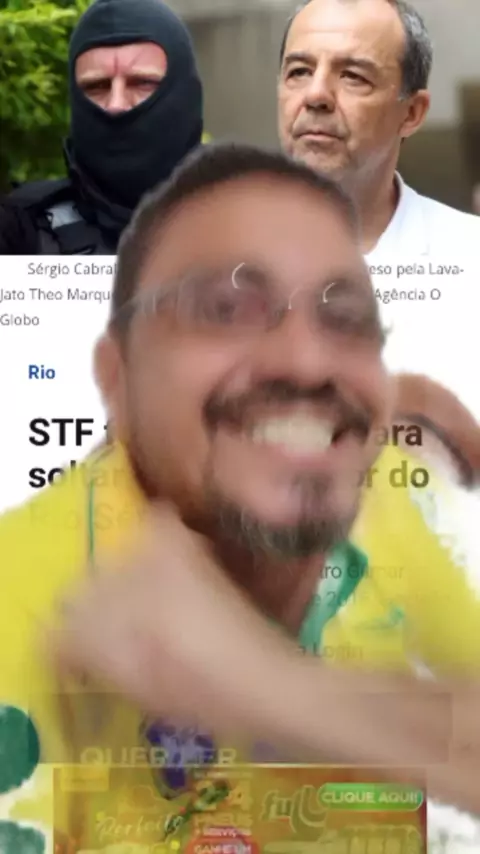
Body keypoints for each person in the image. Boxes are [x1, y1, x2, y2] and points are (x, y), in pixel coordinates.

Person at [1, 145, 480, 852]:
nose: (308, 362)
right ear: (119, 377)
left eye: (345, 317)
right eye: (225, 309)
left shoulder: (381, 500)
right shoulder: (21, 597)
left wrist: (274, 686)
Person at [0, 0, 203, 255]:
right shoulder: (21, 230)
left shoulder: (244, 220)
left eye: (141, 83)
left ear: (183, 94)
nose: (115, 105)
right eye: (97, 86)